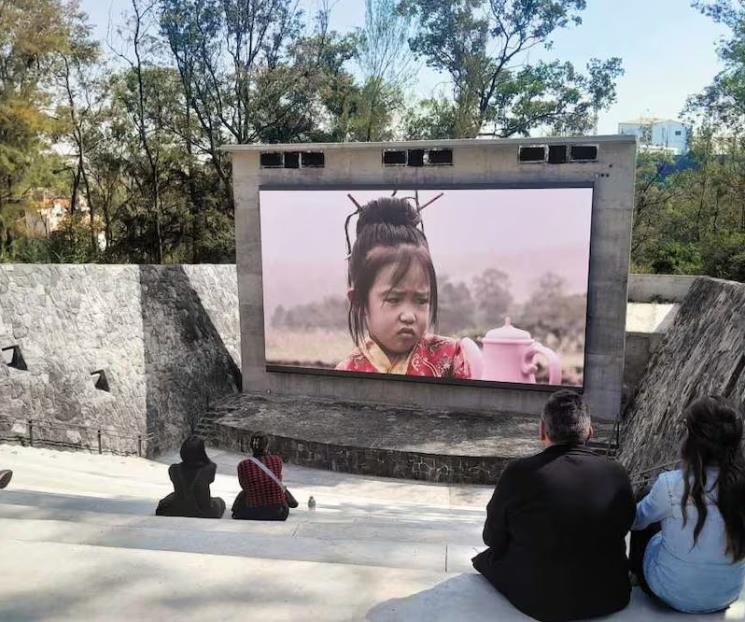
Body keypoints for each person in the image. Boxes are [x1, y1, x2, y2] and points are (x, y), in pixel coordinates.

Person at [472, 390, 635, 622]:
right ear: (589, 431)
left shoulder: (520, 473)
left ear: (542, 431)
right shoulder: (617, 473)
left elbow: (492, 538)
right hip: (610, 595)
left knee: (486, 559)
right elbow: (625, 525)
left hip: (541, 602)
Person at [630, 395, 745, 613]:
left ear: (692, 440)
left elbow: (637, 521)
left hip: (670, 591)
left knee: (646, 497)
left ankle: (635, 573)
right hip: (727, 593)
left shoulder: (671, 484)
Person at [335, 195, 471, 378]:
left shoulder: (450, 358)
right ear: (360, 302)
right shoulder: (346, 375)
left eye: (421, 300)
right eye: (394, 299)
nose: (409, 316)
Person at [155, 436, 225, 519]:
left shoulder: (174, 469)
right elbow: (210, 479)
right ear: (202, 452)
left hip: (179, 508)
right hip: (204, 510)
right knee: (220, 501)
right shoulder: (210, 468)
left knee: (169, 498)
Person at [232, 432, 290, 521]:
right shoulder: (277, 460)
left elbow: (244, 486)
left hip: (255, 512)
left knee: (241, 500)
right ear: (267, 446)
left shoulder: (243, 465)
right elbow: (278, 480)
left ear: (251, 446)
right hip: (279, 513)